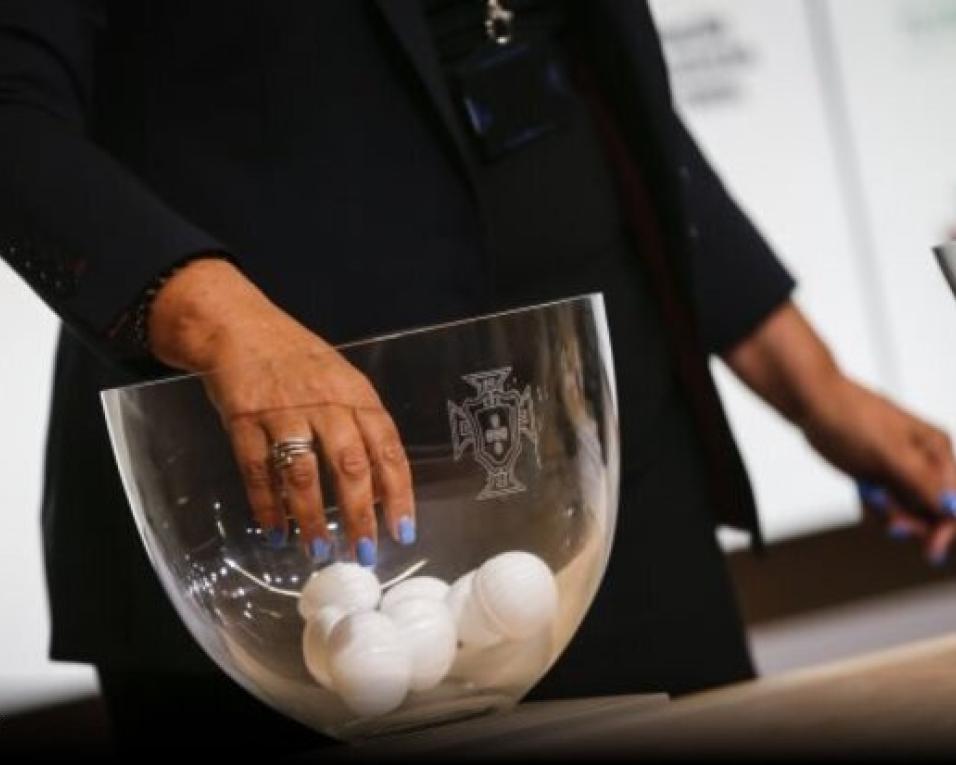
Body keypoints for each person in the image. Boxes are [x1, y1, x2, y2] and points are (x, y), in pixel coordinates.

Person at [1, 0, 954, 755]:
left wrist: (808, 380)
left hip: (605, 475)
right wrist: (213, 318)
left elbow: (571, 67)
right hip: (282, 527)